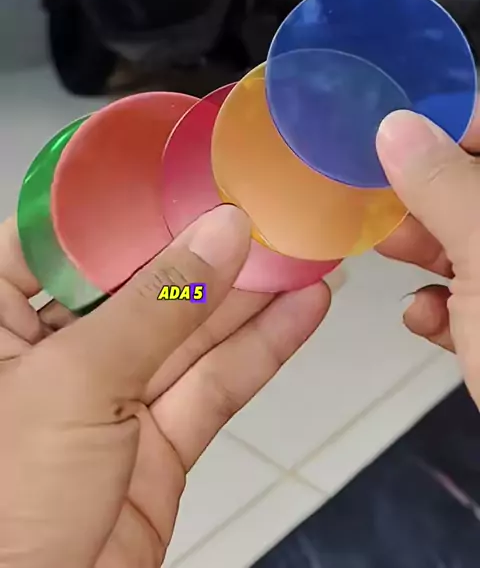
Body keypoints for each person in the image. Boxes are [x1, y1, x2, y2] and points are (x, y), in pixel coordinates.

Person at [0, 108, 479, 568]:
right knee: (197, 292)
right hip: (194, 283)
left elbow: (189, 291)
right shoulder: (189, 281)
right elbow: (183, 290)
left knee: (203, 294)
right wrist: (179, 286)